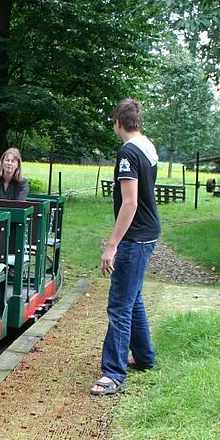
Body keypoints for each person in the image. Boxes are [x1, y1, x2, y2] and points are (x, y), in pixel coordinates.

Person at [91, 98, 160, 397]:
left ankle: (113, 373)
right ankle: (144, 358)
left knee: (119, 305)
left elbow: (130, 203)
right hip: (149, 232)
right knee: (133, 298)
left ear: (117, 122)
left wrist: (112, 244)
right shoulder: (148, 145)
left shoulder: (128, 153)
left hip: (135, 237)